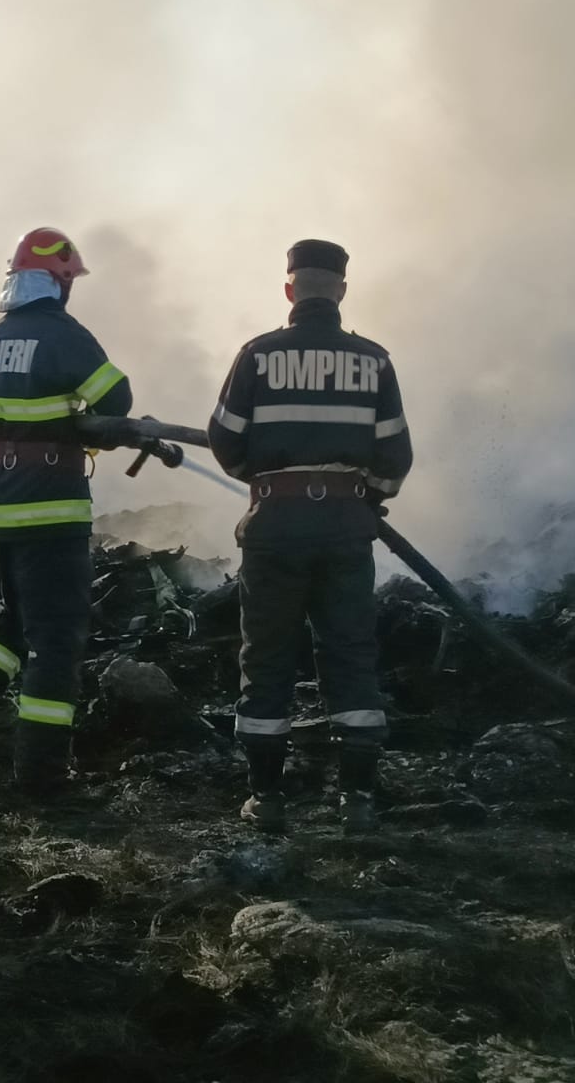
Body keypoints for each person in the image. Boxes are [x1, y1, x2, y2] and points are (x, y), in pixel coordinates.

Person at [206, 238, 414, 833]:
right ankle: (358, 802)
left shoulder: (257, 355)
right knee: (350, 652)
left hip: (275, 525)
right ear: (342, 292)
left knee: (267, 655)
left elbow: (225, 441)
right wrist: (361, 498)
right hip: (348, 528)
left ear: (290, 289)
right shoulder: (374, 360)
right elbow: (395, 458)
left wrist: (271, 481)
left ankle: (266, 800)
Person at [0, 228, 132, 794]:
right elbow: (116, 402)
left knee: (15, 614)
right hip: (50, 503)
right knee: (58, 636)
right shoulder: (62, 336)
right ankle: (42, 774)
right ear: (60, 280)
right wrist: (76, 418)